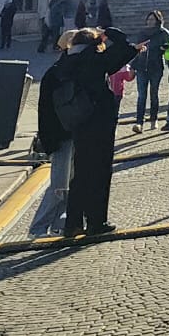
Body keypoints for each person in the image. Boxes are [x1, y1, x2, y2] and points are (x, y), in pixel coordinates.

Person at [37, 25, 137, 238]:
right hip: (99, 124)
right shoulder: (95, 60)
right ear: (94, 44)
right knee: (99, 174)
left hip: (78, 125)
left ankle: (73, 224)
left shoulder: (63, 64)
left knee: (80, 175)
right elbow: (125, 47)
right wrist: (108, 32)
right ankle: (96, 222)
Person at [28, 31, 78, 237]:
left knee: (69, 183)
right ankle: (37, 228)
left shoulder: (66, 70)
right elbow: (46, 110)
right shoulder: (58, 73)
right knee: (59, 186)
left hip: (70, 133)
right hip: (61, 135)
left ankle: (59, 224)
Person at [131, 12, 169, 131]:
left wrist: (163, 49)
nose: (150, 22)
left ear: (158, 20)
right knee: (141, 95)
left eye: (152, 19)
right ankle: (139, 122)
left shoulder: (164, 33)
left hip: (156, 67)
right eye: (149, 19)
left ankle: (154, 119)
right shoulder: (142, 33)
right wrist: (133, 66)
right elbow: (137, 49)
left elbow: (168, 48)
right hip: (142, 66)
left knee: (154, 94)